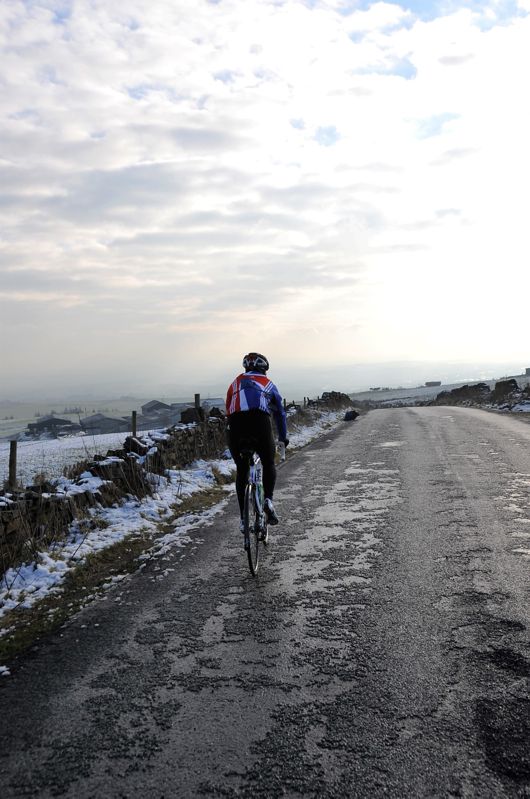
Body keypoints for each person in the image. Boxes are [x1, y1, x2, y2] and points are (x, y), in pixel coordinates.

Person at [226, 353, 289, 530]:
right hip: (259, 421)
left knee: (242, 469)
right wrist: (283, 438)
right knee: (268, 462)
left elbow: (228, 408)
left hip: (235, 424)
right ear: (264, 369)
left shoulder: (235, 383)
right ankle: (268, 500)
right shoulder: (268, 383)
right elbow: (280, 414)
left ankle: (243, 519)